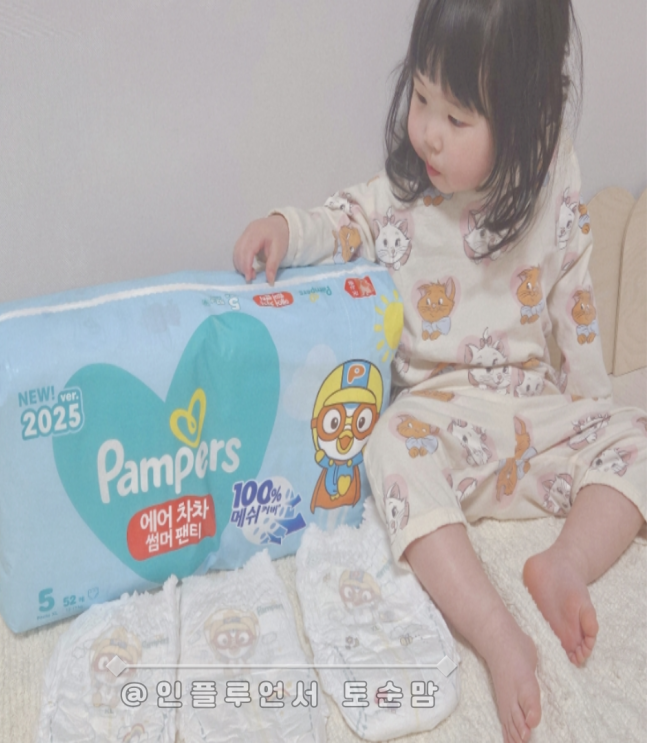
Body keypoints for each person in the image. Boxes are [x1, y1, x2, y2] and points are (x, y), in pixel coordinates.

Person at [232, 1, 647, 741]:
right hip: (438, 421)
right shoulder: (405, 196)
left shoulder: (552, 172)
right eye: (421, 96)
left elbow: (574, 297)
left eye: (456, 118)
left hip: (530, 408)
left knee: (637, 431)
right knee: (386, 446)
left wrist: (590, 414)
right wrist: (283, 228)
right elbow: (342, 219)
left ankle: (563, 564)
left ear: (525, 120)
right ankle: (495, 632)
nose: (426, 130)